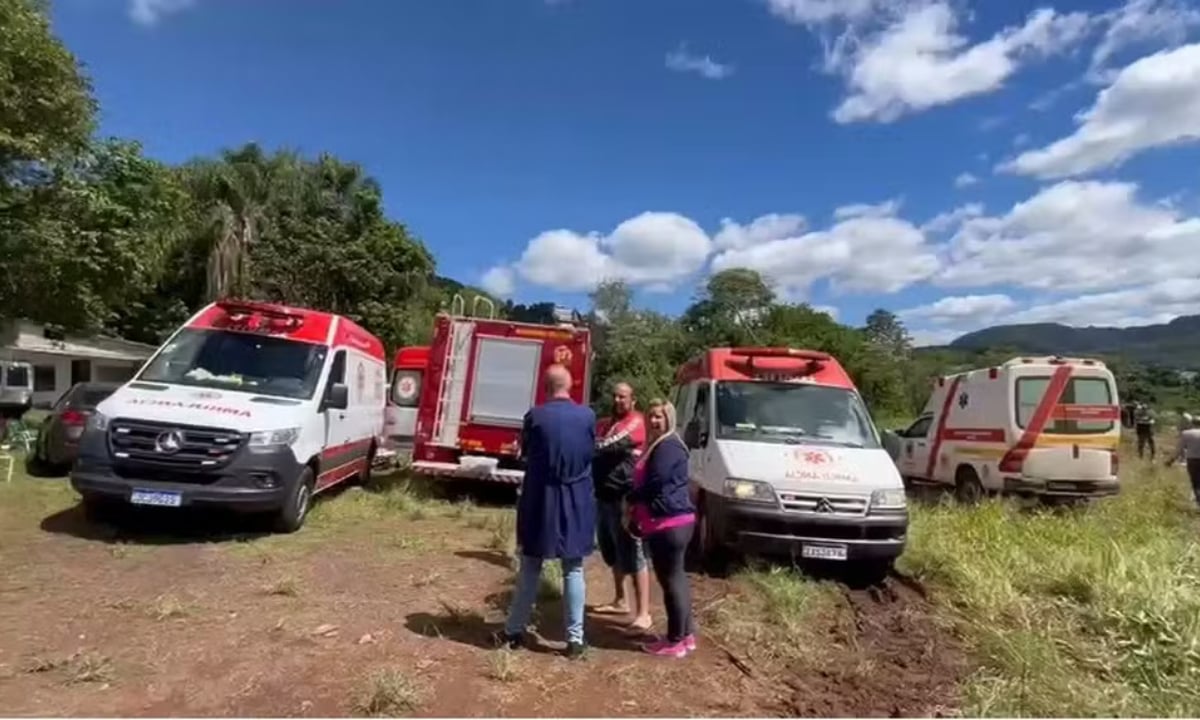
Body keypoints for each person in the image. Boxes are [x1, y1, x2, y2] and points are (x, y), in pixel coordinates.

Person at [497, 364, 596, 659]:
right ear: (571, 386)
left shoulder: (535, 416)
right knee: (574, 568)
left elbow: (524, 453)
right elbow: (591, 452)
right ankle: (575, 641)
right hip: (577, 498)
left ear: (545, 387)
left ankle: (514, 631)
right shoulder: (588, 416)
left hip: (541, 498)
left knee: (530, 567)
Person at [626, 399, 697, 658]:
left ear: (669, 418)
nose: (655, 421)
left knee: (671, 581)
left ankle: (675, 640)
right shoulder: (664, 444)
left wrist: (632, 498)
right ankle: (686, 635)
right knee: (676, 578)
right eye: (651, 417)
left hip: (669, 523)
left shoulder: (667, 446)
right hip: (670, 522)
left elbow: (657, 482)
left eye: (659, 417)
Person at [592, 382, 652, 630]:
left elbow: (609, 445)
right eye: (615, 396)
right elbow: (595, 440)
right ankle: (620, 600)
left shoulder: (636, 421)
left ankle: (644, 612)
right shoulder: (605, 423)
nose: (618, 400)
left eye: (623, 397)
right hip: (603, 495)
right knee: (610, 550)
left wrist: (592, 445)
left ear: (633, 399)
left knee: (633, 552)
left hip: (625, 498)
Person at [1166, 414, 1200, 507]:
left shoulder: (1186, 433)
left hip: (1192, 460)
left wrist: (1171, 461)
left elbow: (1179, 449)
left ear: (1192, 423)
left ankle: (1198, 502)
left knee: (1195, 482)